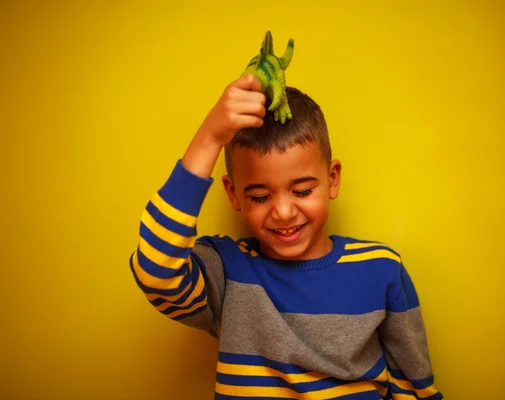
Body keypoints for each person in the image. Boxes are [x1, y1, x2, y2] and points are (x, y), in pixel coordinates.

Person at [129, 74, 443, 399]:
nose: (283, 212)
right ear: (233, 193)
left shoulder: (381, 269)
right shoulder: (226, 272)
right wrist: (209, 138)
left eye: (303, 190)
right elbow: (155, 271)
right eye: (260, 197)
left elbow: (414, 387)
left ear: (332, 179)